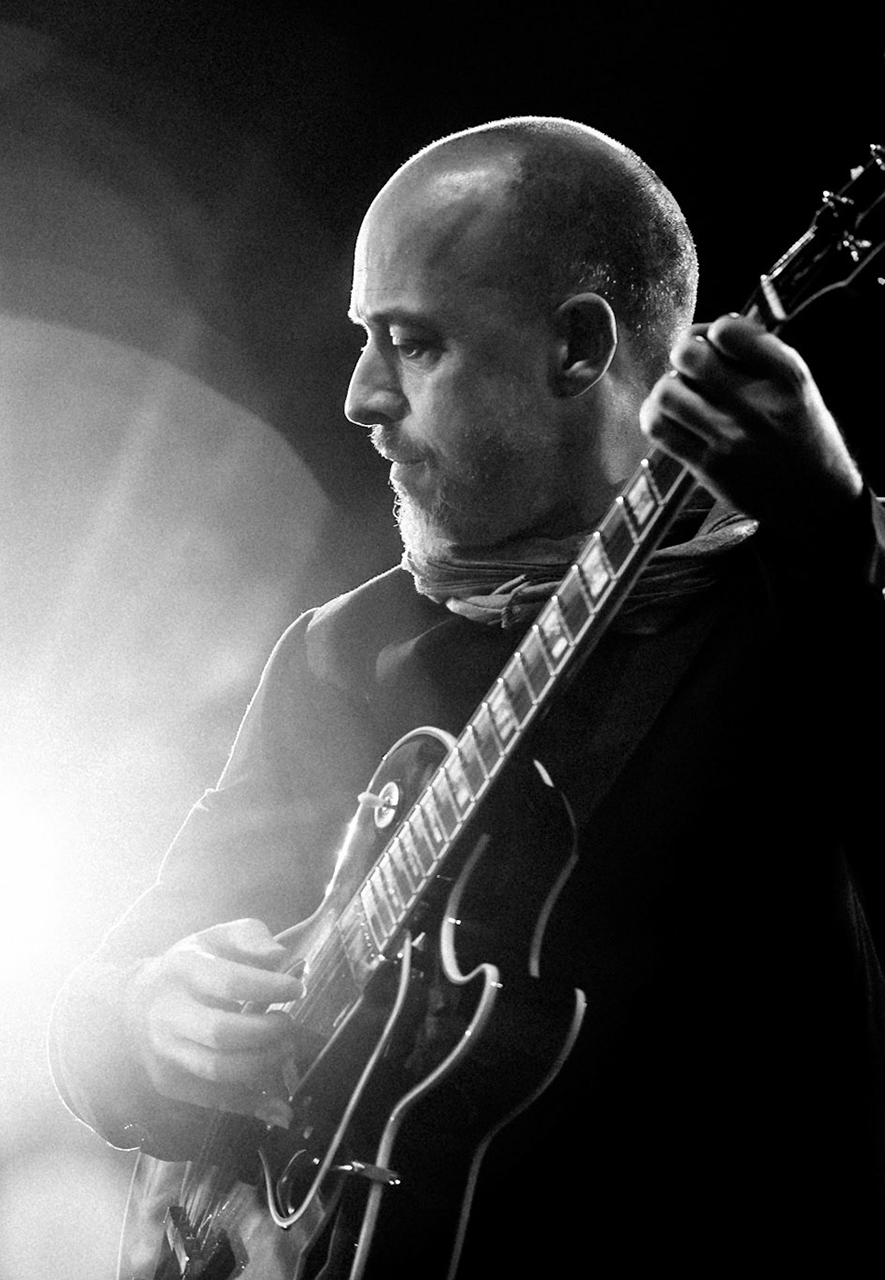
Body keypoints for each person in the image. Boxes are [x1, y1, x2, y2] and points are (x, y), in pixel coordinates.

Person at [50, 118, 883, 1277]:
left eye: (412, 342)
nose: (358, 397)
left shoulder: (788, 616)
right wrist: (146, 1017)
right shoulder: (344, 654)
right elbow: (113, 982)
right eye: (364, 340)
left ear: (577, 349)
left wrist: (832, 532)